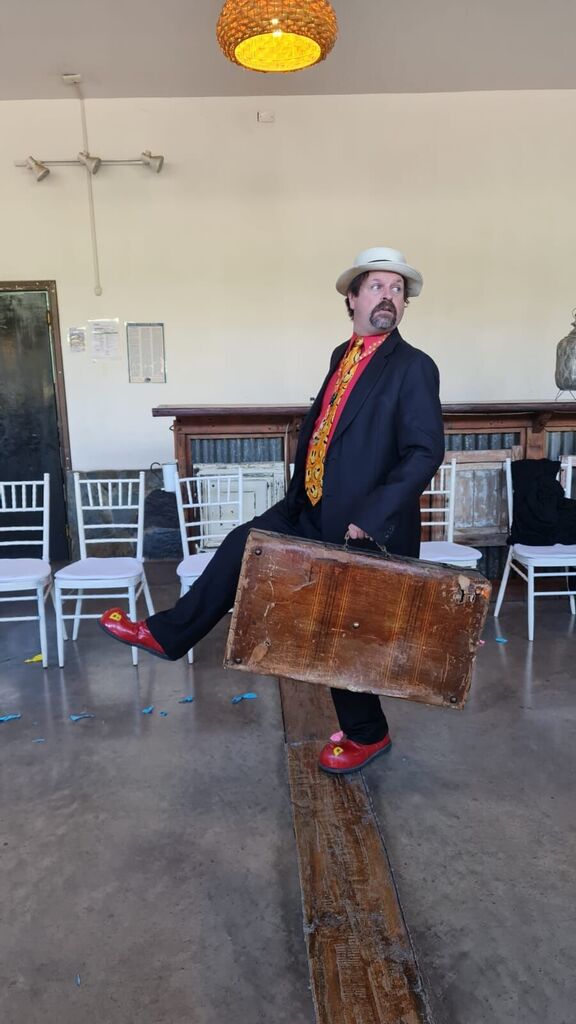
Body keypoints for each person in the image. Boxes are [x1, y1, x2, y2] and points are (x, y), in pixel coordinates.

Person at [100, 246, 445, 774]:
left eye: (397, 290)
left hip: (360, 524)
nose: (388, 297)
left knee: (339, 627)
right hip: (309, 505)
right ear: (352, 299)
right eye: (377, 286)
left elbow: (425, 452)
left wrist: (372, 516)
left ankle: (367, 734)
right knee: (243, 543)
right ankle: (167, 635)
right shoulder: (343, 354)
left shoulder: (414, 366)